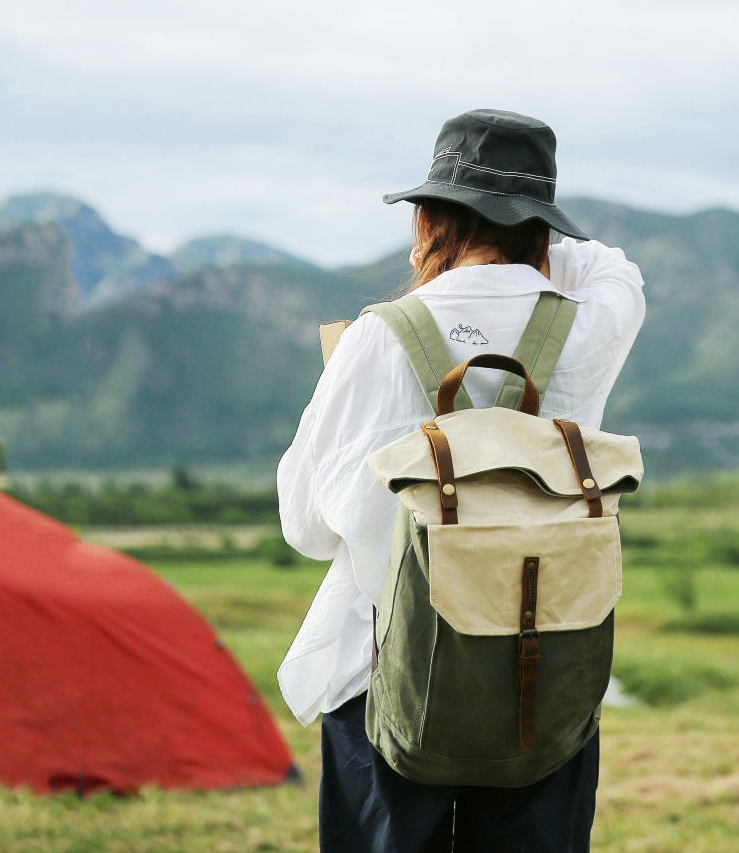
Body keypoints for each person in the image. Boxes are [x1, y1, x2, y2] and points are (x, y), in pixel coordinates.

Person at [276, 108, 646, 852]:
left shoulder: (378, 337)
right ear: (543, 226)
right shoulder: (589, 324)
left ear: (426, 218)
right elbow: (613, 266)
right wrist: (530, 253)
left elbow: (307, 528)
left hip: (386, 678)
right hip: (540, 681)